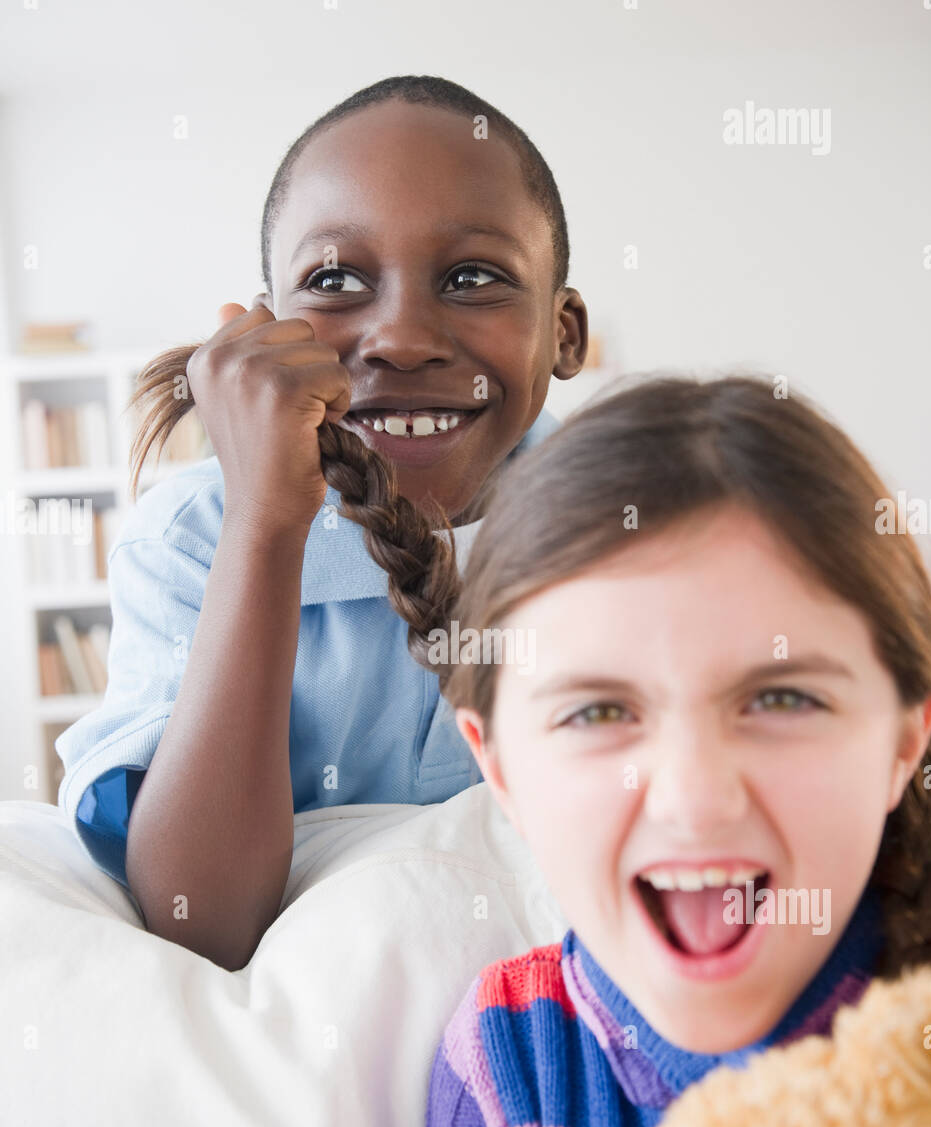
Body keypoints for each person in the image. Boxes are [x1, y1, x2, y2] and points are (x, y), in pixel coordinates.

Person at [418, 374, 931, 1127]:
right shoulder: (514, 1073)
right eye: (599, 711)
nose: (694, 799)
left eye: (781, 698)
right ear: (500, 769)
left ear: (904, 741)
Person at [55, 75, 588, 970]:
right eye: (335, 280)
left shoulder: (632, 530)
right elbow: (201, 920)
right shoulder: (191, 538)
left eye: (473, 278)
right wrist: (264, 524)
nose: (402, 338)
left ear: (564, 332)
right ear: (266, 330)